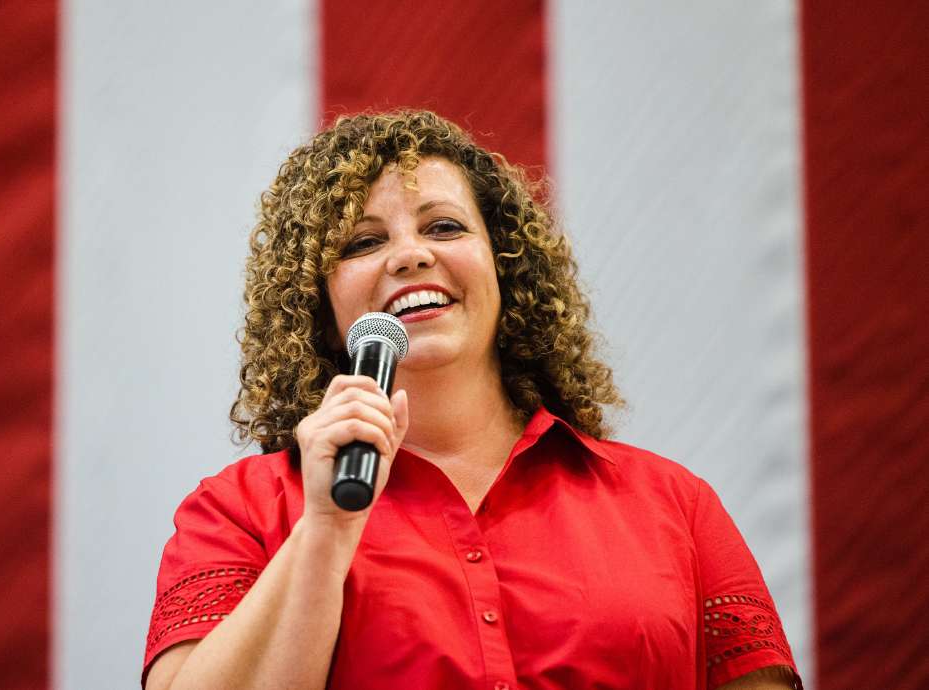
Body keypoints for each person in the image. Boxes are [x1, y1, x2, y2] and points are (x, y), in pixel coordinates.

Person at [142, 110, 800, 690]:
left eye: (445, 226)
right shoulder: (237, 513)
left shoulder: (674, 506)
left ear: (506, 269)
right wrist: (324, 532)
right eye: (365, 242)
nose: (409, 255)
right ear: (318, 303)